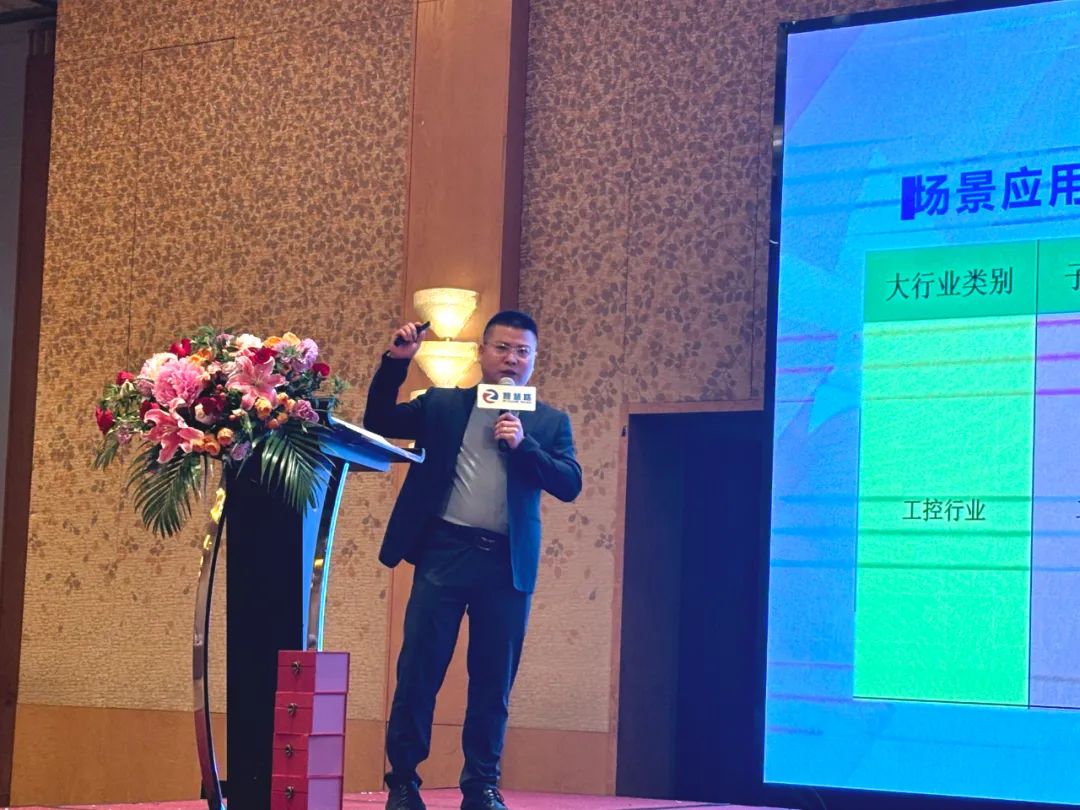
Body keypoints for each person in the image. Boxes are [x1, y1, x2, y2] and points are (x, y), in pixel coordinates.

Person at [364, 310, 583, 810]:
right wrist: (396, 363)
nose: (512, 359)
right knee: (420, 670)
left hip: (507, 564)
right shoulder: (442, 404)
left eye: (522, 351)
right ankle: (403, 782)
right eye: (502, 348)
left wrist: (523, 446)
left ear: (534, 360)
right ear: (481, 352)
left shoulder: (548, 421)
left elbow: (570, 483)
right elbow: (379, 422)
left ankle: (481, 785)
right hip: (445, 551)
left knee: (492, 680)